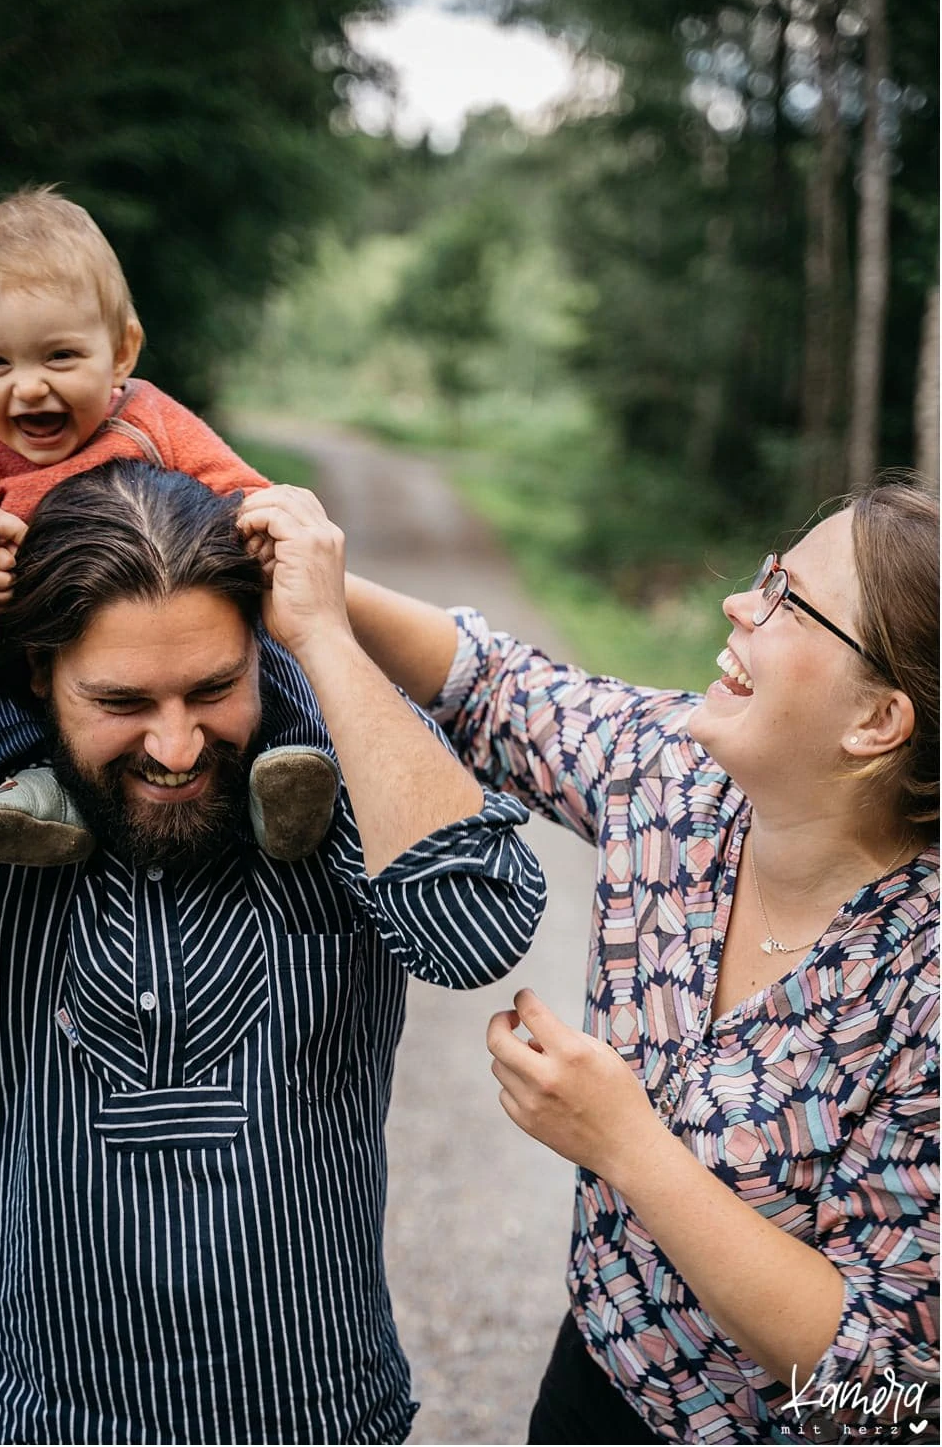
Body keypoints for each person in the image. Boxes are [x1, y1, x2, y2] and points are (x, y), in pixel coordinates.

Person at [0, 458, 548, 1446]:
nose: (178, 747)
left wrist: (324, 639)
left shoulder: (330, 774)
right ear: (40, 677)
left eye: (214, 687)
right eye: (123, 702)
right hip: (13, 1418)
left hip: (307, 1417)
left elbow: (473, 927)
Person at [343, 479, 939, 1444]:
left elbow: (888, 1392)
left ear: (876, 721)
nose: (739, 604)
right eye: (766, 577)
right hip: (590, 1386)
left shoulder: (924, 984)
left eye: (790, 600)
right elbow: (488, 686)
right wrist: (318, 588)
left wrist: (626, 1146)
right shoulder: (678, 780)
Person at [0, 184, 337, 866]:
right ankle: (30, 798)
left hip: (174, 611)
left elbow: (235, 487)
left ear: (122, 351)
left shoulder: (148, 419)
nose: (29, 386)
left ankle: (286, 777)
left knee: (257, 652)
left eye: (60, 357)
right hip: (25, 643)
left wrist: (271, 526)